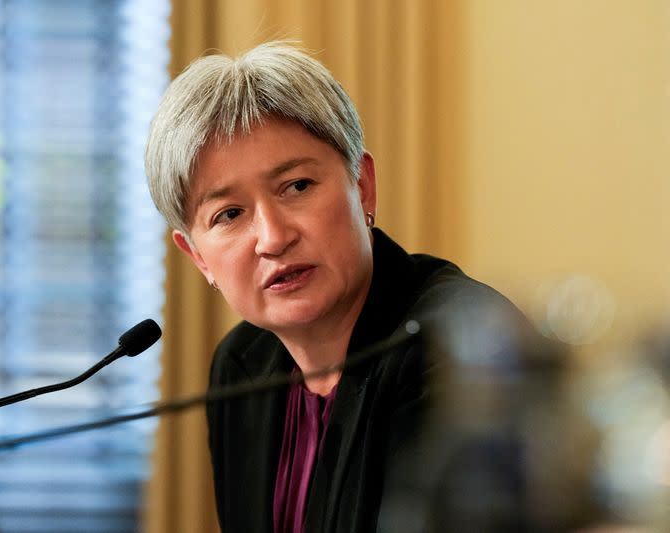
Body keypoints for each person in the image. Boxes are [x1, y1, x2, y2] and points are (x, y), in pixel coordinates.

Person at [145, 42, 536, 533]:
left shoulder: (453, 347)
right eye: (229, 214)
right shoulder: (243, 364)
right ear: (198, 256)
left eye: (297, 186)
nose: (273, 237)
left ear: (362, 186)